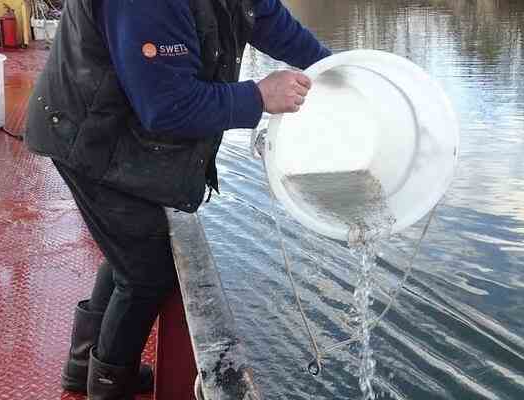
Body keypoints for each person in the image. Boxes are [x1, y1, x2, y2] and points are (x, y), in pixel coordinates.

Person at [24, 0, 331, 398]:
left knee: (128, 248)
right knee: (145, 274)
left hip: (122, 127)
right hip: (86, 134)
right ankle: (109, 385)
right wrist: (258, 97)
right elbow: (166, 107)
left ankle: (83, 364)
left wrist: (334, 70)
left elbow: (270, 21)